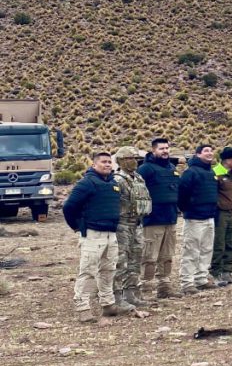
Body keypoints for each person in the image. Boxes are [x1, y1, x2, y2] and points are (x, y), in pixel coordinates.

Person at [62, 151, 132, 322]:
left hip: (110, 234)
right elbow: (69, 207)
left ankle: (108, 304)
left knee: (108, 270)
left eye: (109, 162)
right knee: (88, 271)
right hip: (93, 234)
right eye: (103, 162)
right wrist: (78, 227)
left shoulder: (113, 183)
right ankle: (82, 307)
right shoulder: (87, 183)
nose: (107, 165)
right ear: (94, 164)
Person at [138, 137, 182, 299]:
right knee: (150, 256)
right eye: (161, 148)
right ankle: (146, 288)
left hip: (170, 218)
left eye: (167, 148)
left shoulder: (172, 168)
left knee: (167, 255)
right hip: (153, 220)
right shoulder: (145, 169)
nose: (165, 151)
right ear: (153, 150)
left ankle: (165, 286)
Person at [111, 146, 151, 311]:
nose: (134, 162)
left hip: (137, 223)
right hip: (122, 224)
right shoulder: (117, 180)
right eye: (130, 158)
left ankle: (131, 293)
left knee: (135, 259)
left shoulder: (138, 178)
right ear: (121, 161)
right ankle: (116, 297)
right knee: (121, 261)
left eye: (135, 159)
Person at [177, 144, 219, 294]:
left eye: (211, 150)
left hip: (209, 217)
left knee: (206, 250)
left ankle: (201, 278)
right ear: (198, 154)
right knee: (191, 251)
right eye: (206, 151)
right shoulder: (191, 172)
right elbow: (182, 193)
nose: (210, 153)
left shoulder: (212, 172)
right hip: (194, 218)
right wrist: (186, 208)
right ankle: (187, 282)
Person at [211, 146, 232, 285]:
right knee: (219, 242)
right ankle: (216, 273)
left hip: (230, 211)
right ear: (227, 160)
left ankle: (227, 271)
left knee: (231, 241)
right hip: (219, 213)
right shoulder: (216, 173)